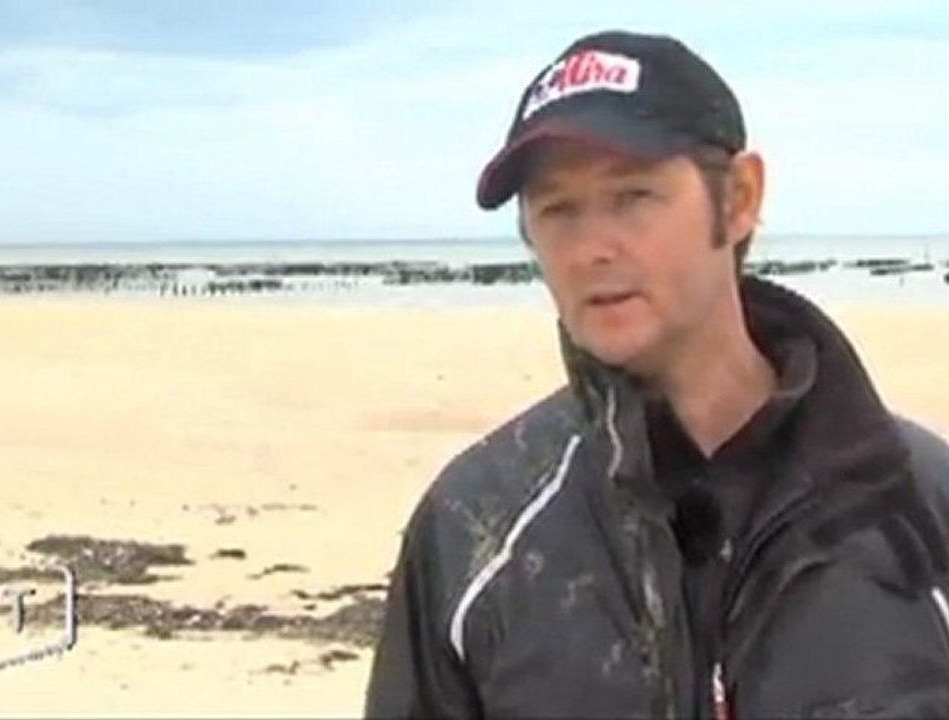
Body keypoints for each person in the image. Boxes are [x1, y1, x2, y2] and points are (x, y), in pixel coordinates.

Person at [364, 29, 949, 718]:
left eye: (633, 196)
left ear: (737, 199)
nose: (589, 249)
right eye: (557, 210)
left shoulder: (919, 509)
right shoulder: (473, 531)